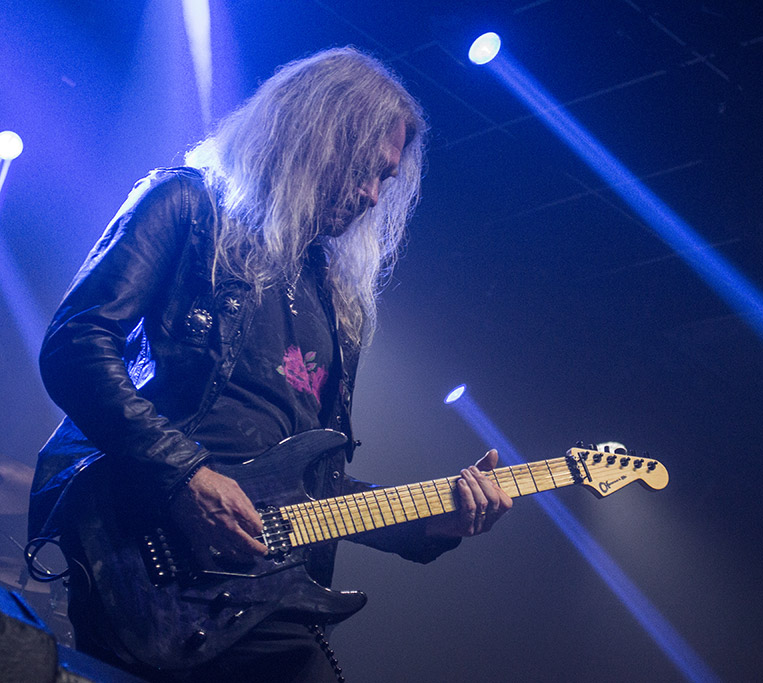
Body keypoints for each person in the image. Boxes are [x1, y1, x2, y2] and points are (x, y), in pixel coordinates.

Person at [27, 47, 512, 682]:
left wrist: (431, 524)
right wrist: (186, 475)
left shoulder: (334, 302)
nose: (373, 196)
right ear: (316, 136)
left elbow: (312, 491)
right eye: (365, 170)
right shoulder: (187, 206)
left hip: (261, 592)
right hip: (140, 551)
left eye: (385, 179)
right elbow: (76, 344)